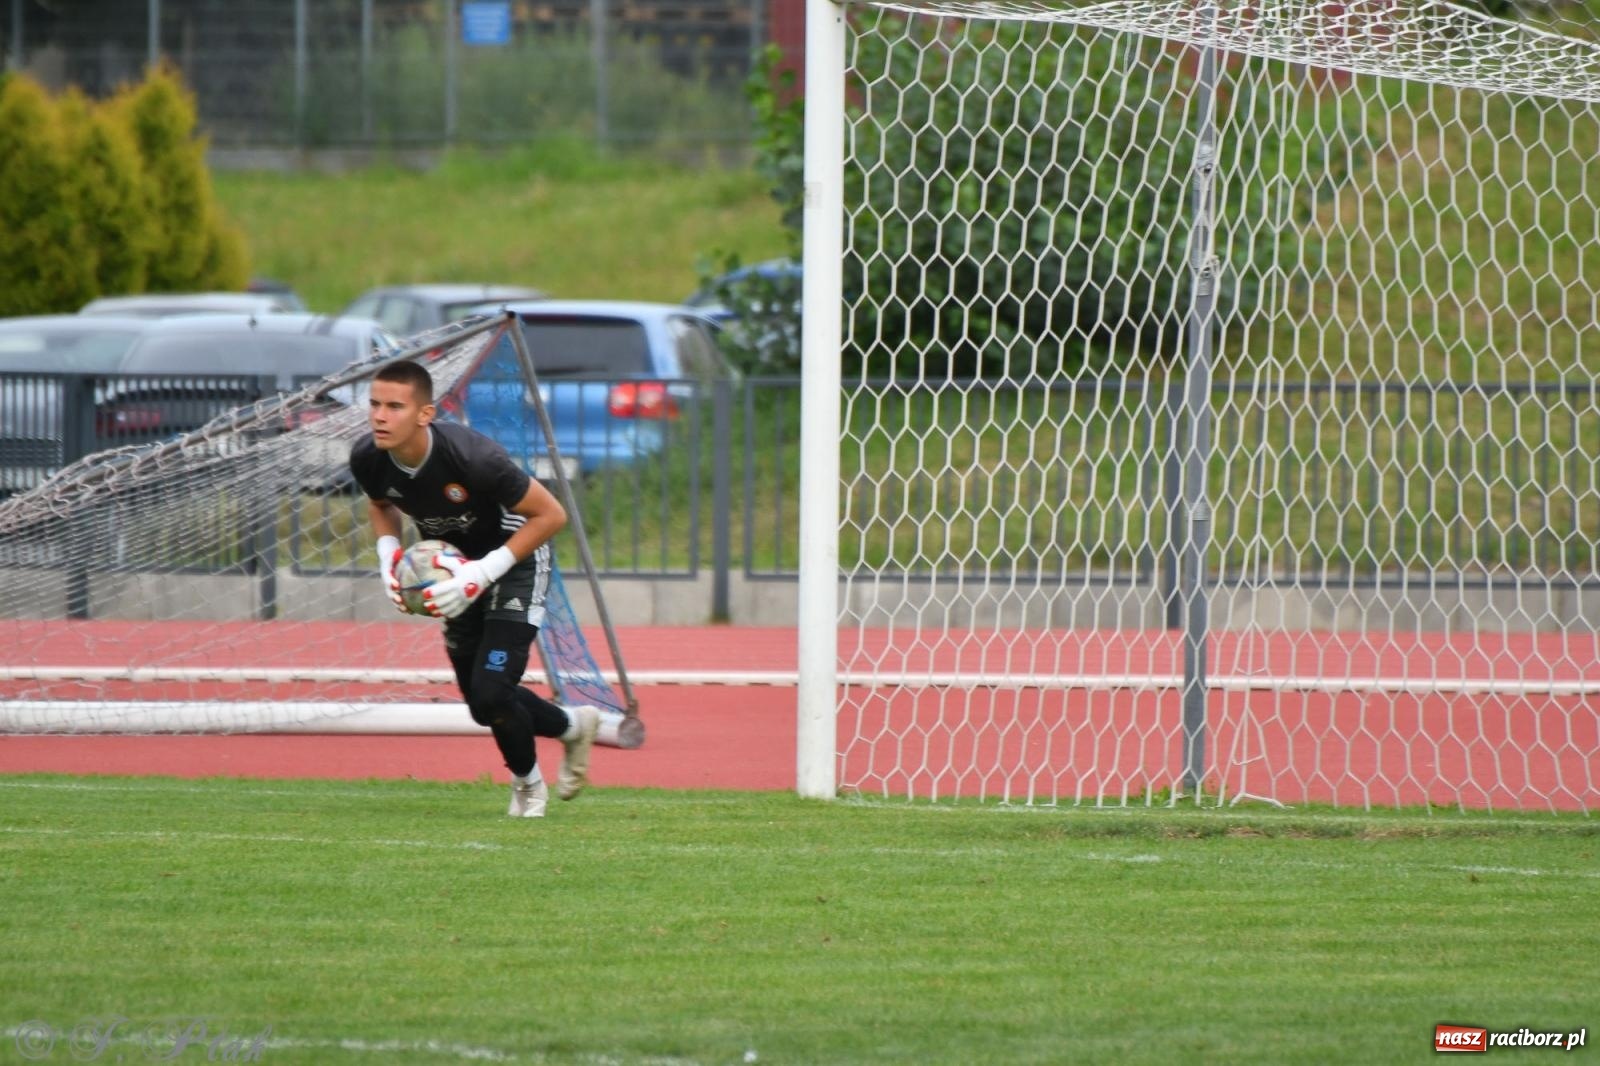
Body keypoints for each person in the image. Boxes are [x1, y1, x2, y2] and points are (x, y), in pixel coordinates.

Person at [349, 360, 599, 818]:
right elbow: (381, 503)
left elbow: (551, 515)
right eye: (375, 404)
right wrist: (389, 556)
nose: (380, 417)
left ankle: (528, 787)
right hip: (453, 572)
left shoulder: (473, 457)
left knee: (492, 691)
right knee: (482, 706)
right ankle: (572, 726)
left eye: (394, 407)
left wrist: (482, 573)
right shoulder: (368, 456)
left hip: (514, 562)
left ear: (425, 414)